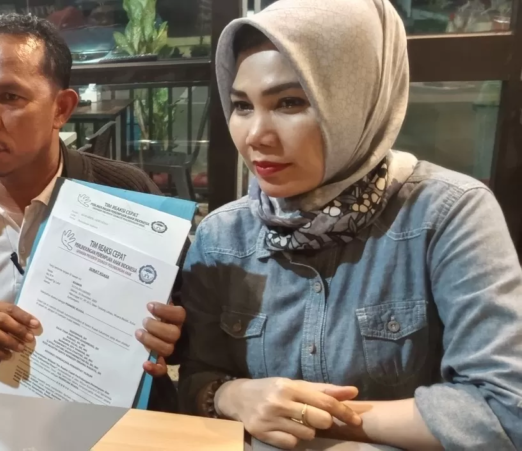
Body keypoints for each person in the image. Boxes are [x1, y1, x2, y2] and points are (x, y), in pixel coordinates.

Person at [178, 0, 522, 449]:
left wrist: (308, 416)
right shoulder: (222, 235)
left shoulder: (447, 214)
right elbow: (196, 380)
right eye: (242, 105)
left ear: (358, 100)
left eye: (290, 102)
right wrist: (231, 395)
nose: (256, 135)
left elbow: (503, 409)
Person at [0, 14, 186, 409]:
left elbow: (188, 321)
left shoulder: (127, 194)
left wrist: (173, 335)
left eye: (10, 97)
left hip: (104, 419)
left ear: (61, 108)